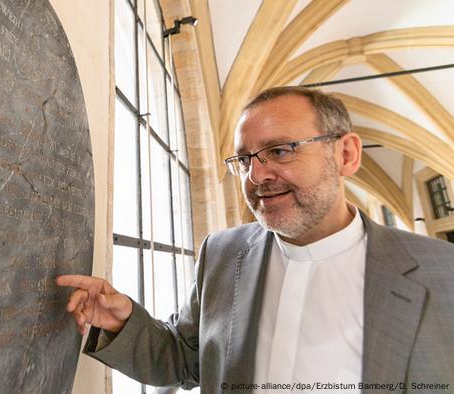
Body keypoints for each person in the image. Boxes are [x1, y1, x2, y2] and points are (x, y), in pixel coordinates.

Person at [57, 87, 454, 393]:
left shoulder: (442, 274)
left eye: (280, 150)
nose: (256, 176)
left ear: (346, 154)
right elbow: (185, 360)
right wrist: (123, 323)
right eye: (244, 160)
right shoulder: (223, 253)